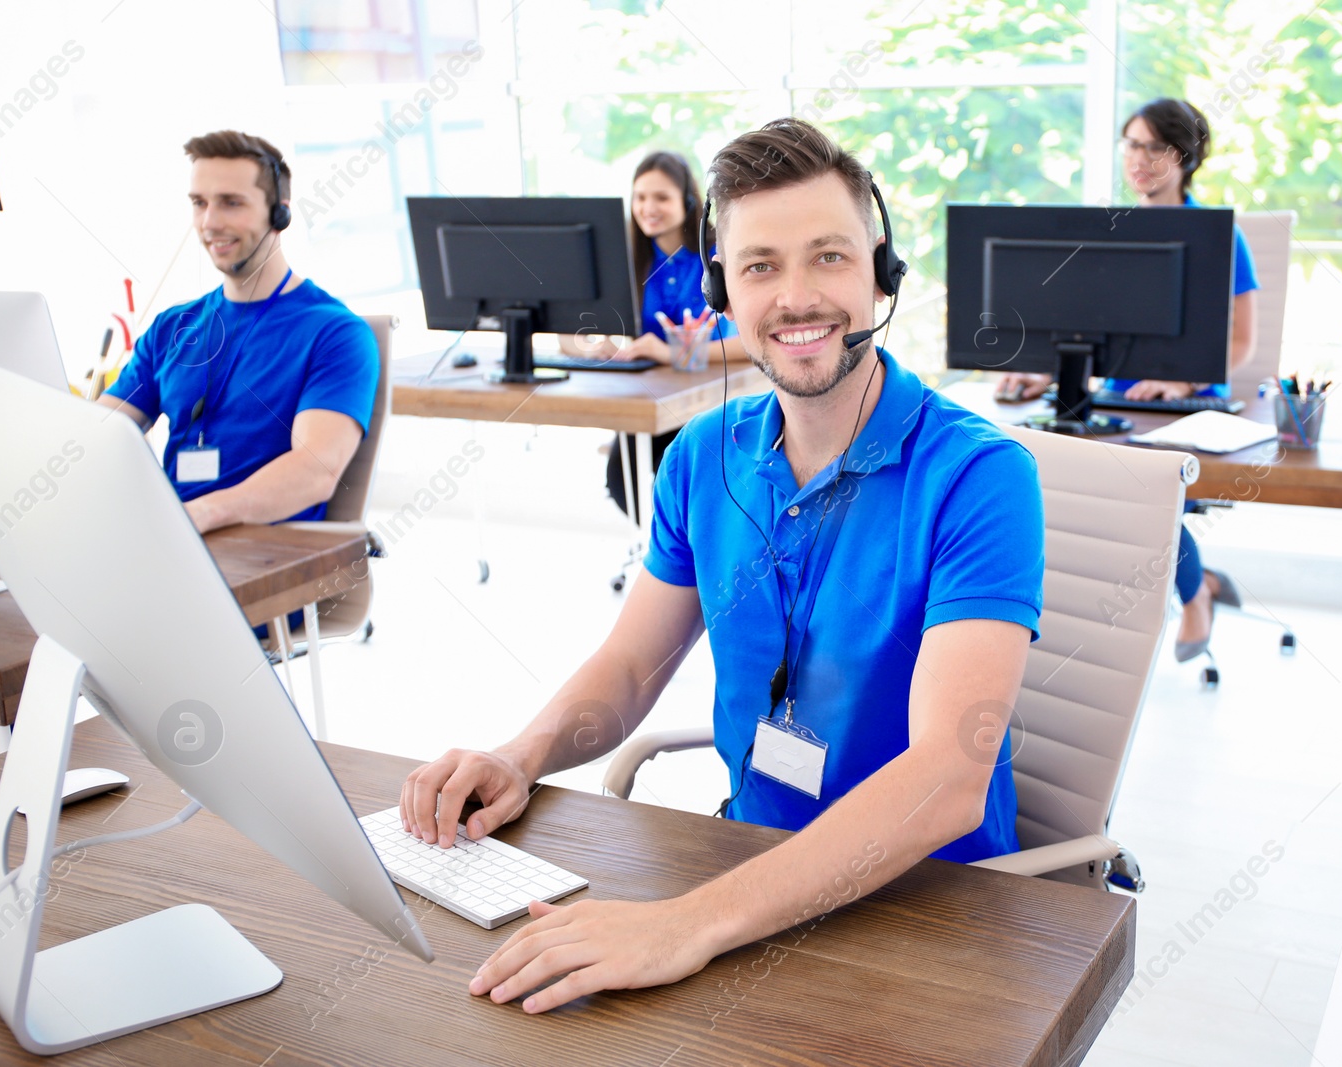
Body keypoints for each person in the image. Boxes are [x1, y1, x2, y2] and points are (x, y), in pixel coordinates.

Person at [401, 118, 1045, 1013]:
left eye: (828, 257)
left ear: (879, 270)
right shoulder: (702, 457)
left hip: (926, 911)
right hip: (751, 879)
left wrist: (687, 925)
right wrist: (520, 755)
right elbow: (631, 668)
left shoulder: (980, 476)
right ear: (722, 292)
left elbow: (948, 776)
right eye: (760, 266)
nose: (797, 297)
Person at [997, 98, 1260, 662]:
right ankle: (1201, 583)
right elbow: (1085, 330)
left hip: (1185, 407)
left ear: (1185, 156)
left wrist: (1182, 382)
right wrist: (1043, 370)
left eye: (1153, 147)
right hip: (1115, 399)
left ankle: (1196, 597)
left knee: (1143, 493)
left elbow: (1242, 342)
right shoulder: (1113, 231)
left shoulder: (1222, 238)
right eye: (1130, 145)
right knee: (1073, 481)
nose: (1137, 160)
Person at [98, 130, 379, 537]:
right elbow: (100, 438)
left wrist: (197, 516)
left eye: (231, 203)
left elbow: (314, 472)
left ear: (279, 214)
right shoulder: (172, 327)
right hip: (167, 545)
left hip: (263, 564)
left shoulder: (335, 334)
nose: (210, 222)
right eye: (199, 203)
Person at [557, 151, 745, 522]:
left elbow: (749, 346)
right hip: (653, 401)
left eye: (661, 197)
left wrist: (669, 351)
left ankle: (689, 559)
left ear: (687, 201)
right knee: (622, 481)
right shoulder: (629, 259)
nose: (648, 207)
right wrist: (597, 348)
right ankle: (670, 559)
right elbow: (565, 336)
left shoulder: (718, 256)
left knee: (680, 478)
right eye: (640, 197)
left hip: (713, 400)